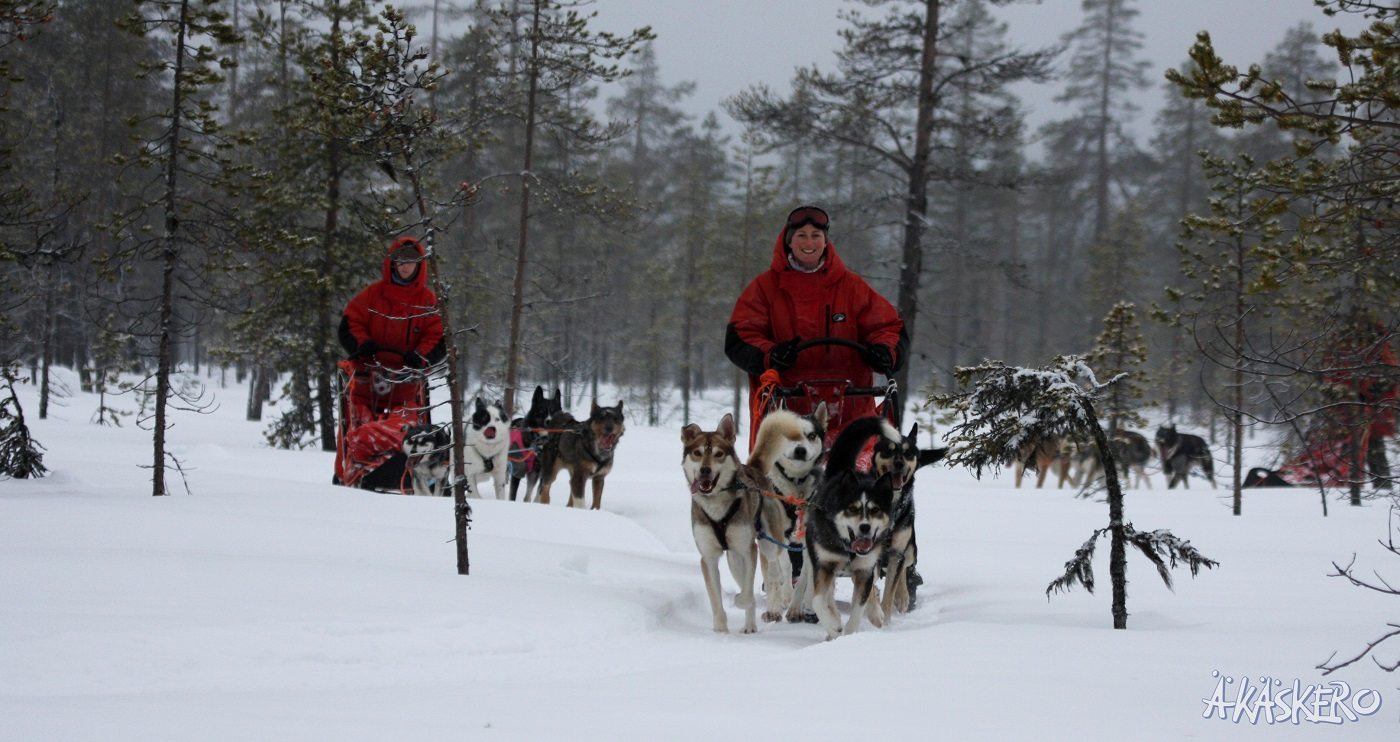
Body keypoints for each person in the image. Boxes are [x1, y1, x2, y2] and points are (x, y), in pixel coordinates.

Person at [725, 204, 907, 448]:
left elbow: (887, 327)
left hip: (852, 413)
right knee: (787, 480)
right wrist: (772, 354)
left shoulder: (851, 286)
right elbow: (742, 334)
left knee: (862, 478)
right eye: (801, 235)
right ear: (789, 241)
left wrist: (883, 350)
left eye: (815, 235)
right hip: (786, 413)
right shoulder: (765, 288)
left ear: (825, 241)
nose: (808, 242)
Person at [339, 236, 446, 409]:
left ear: (419, 265)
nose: (405, 266)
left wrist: (420, 357)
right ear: (393, 262)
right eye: (401, 260)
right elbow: (351, 323)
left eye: (411, 261)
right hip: (365, 387)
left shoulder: (427, 301)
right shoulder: (373, 294)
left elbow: (437, 336)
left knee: (405, 433)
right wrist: (362, 344)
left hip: (407, 392)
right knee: (359, 433)